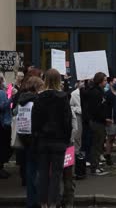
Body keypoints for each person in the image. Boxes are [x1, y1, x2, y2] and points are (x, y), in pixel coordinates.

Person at [31, 69, 73, 208]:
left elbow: (35, 121)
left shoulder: (38, 98)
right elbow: (67, 121)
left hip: (43, 140)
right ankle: (53, 203)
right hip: (59, 140)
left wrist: (36, 137)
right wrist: (66, 139)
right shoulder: (63, 97)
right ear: (58, 80)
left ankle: (43, 203)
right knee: (56, 174)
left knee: (43, 174)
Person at [14, 76, 42, 207]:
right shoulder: (36, 101)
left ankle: (31, 201)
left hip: (24, 137)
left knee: (29, 170)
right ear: (36, 87)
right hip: (35, 139)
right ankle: (36, 200)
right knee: (37, 171)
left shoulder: (21, 100)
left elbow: (15, 114)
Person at [85, 72, 110, 176]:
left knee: (98, 145)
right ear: (100, 81)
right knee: (96, 145)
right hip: (96, 122)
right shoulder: (95, 92)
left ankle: (96, 166)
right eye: (104, 80)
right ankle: (94, 168)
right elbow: (96, 109)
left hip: (99, 121)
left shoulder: (99, 91)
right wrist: (105, 119)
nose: (106, 82)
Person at [0, 73, 13, 179]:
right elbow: (2, 106)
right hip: (3, 124)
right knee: (4, 146)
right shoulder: (1, 93)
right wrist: (11, 99)